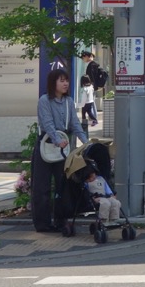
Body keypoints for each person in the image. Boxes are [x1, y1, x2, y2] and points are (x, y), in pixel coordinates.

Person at [32, 65, 89, 233]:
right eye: (61, 81)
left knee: (62, 185)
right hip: (46, 145)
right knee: (41, 187)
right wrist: (57, 140)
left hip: (63, 147)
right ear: (53, 83)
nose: (65, 84)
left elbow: (75, 125)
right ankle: (42, 223)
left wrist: (85, 143)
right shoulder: (44, 100)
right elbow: (47, 123)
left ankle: (61, 220)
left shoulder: (69, 102)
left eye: (67, 81)